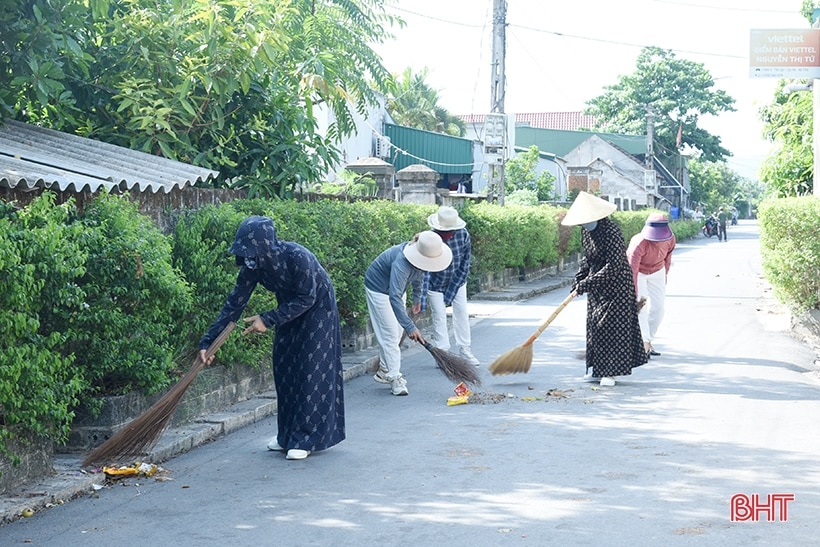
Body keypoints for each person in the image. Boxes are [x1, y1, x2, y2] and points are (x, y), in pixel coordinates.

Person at [198, 216, 345, 461]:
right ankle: (286, 436)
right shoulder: (252, 266)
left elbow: (307, 298)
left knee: (311, 369)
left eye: (253, 251)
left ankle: (304, 438)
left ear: (267, 246)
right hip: (288, 309)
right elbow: (234, 305)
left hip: (318, 308)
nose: (249, 258)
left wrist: (267, 319)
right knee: (284, 366)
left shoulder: (298, 257)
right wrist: (208, 343)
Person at [561, 191, 647, 387]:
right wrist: (579, 279)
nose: (582, 225)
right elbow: (588, 259)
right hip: (598, 287)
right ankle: (598, 370)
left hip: (617, 287)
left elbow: (615, 265)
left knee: (613, 328)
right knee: (595, 326)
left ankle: (611, 372)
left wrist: (587, 284)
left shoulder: (611, 231)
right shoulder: (587, 232)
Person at [365, 231, 452, 396]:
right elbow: (394, 297)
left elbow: (419, 276)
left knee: (396, 334)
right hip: (379, 290)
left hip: (396, 290)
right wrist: (410, 327)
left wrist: (417, 299)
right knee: (390, 335)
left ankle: (384, 370)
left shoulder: (420, 258)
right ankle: (395, 377)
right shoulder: (402, 262)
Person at [421, 206, 479, 366]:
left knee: (461, 313)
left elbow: (465, 265)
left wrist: (451, 292)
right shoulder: (430, 238)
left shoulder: (463, 235)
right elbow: (425, 270)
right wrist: (422, 300)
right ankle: (443, 354)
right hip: (435, 283)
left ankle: (465, 350)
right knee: (439, 316)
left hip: (457, 280)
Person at [626, 213, 676, 359]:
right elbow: (633, 271)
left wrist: (664, 276)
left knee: (659, 308)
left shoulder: (671, 239)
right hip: (639, 273)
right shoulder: (638, 243)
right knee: (641, 308)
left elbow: (668, 259)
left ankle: (649, 340)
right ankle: (644, 343)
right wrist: (634, 294)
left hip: (658, 271)